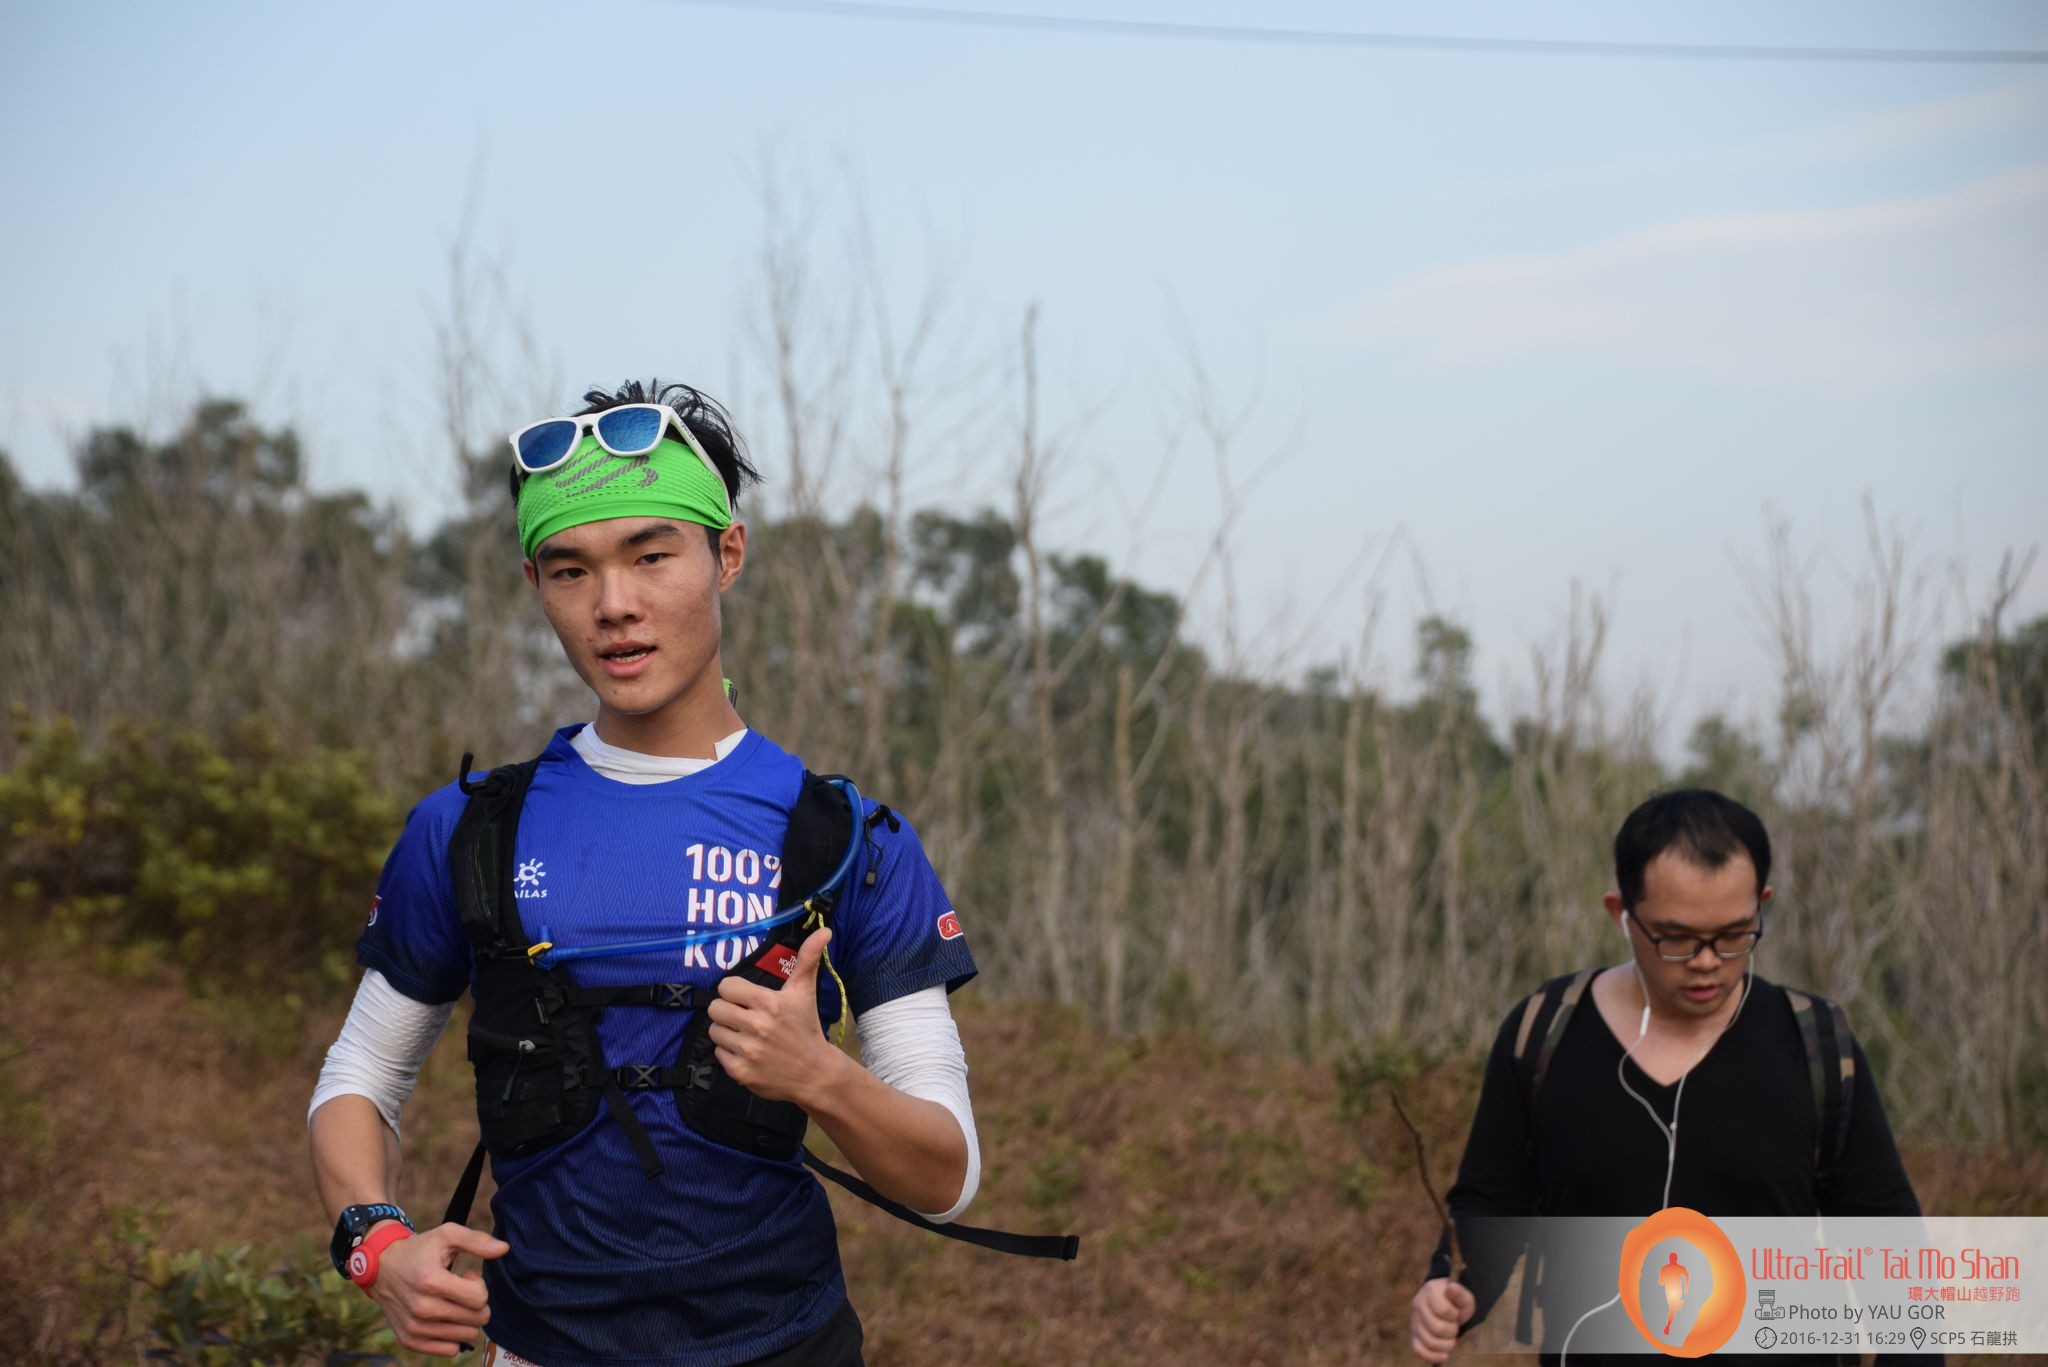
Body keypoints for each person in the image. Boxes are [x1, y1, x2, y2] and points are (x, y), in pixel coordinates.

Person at [309, 380, 981, 1367]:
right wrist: (375, 1243)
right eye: (571, 569)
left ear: (727, 554)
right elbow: (361, 1076)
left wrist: (820, 1076)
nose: (614, 604)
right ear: (535, 582)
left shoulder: (851, 841)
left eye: (651, 554)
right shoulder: (466, 830)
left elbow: (947, 1176)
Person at [1407, 789, 1931, 1366]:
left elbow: (1889, 1242)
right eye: (1676, 938)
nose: (1708, 961)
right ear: (1621, 913)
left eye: (1734, 934)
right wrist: (1453, 1289)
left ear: (1762, 904)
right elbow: (1493, 1200)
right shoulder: (1545, 1033)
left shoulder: (1817, 1046)